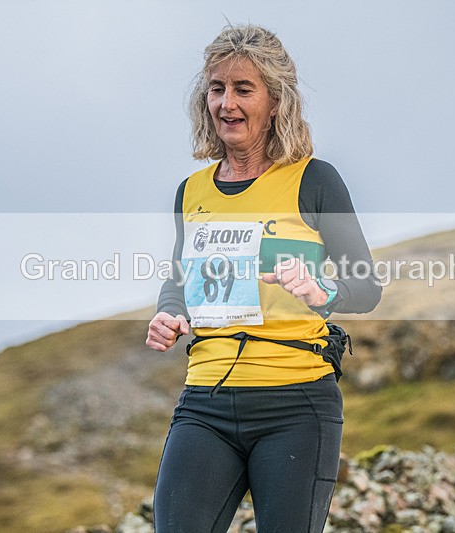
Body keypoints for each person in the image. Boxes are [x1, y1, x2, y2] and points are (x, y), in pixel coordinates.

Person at [146, 24, 381, 532]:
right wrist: (169, 313)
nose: (226, 103)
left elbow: (366, 285)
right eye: (216, 88)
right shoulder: (192, 192)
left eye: (242, 89)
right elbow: (181, 279)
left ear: (275, 101)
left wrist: (325, 290)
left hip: (295, 403)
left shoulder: (314, 180)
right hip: (205, 401)